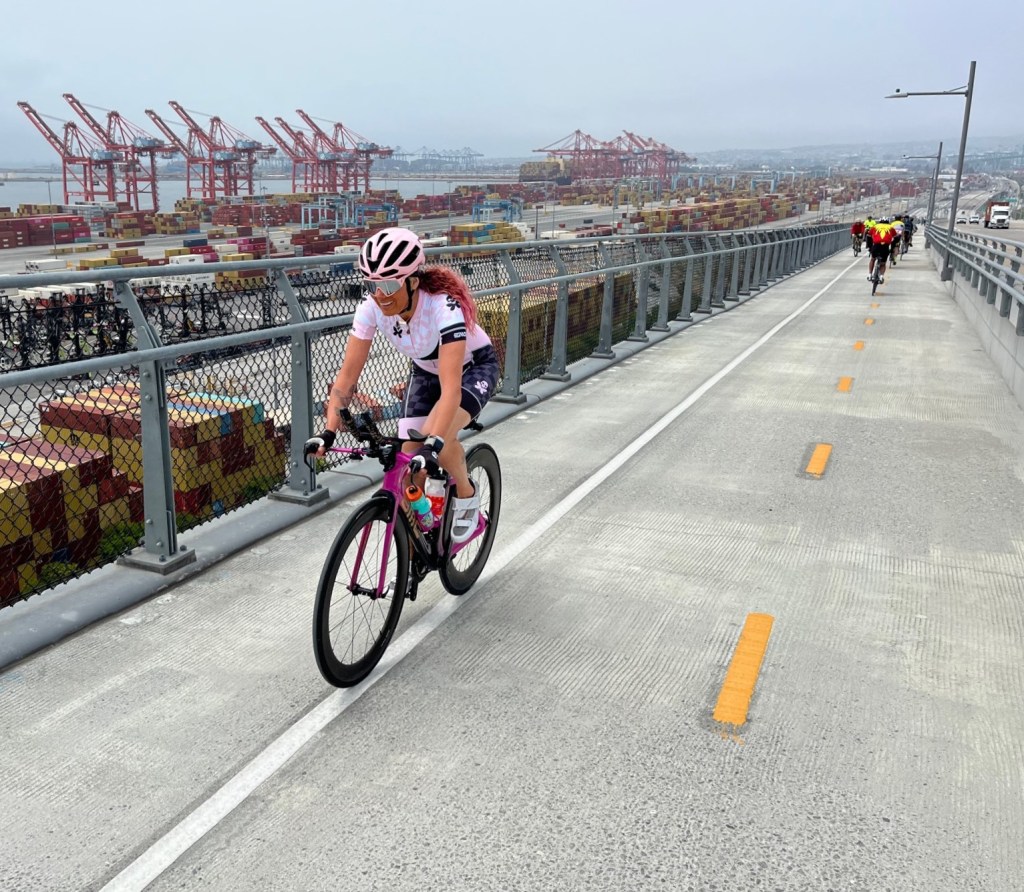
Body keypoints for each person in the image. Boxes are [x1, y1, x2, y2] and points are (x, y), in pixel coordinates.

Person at [312, 227, 499, 542]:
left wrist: (433, 445)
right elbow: (347, 376)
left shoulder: (443, 307)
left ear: (412, 281)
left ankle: (467, 497)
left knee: (439, 434)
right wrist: (328, 431)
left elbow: (451, 388)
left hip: (472, 369)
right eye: (372, 284)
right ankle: (415, 549)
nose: (380, 294)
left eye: (389, 283)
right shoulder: (371, 308)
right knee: (407, 464)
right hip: (426, 371)